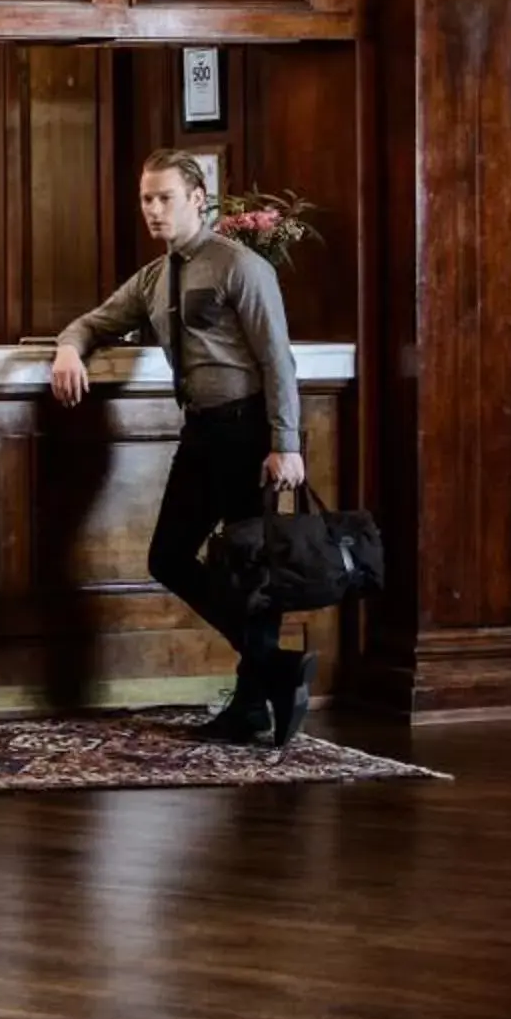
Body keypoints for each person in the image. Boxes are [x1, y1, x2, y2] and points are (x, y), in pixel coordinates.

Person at [50, 147, 311, 746]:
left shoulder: (240, 267)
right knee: (168, 557)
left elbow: (278, 360)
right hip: (202, 434)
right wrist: (69, 348)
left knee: (253, 573)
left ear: (198, 199)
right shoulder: (153, 278)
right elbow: (92, 323)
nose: (153, 210)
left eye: (165, 197)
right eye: (146, 198)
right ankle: (271, 670)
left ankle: (252, 703)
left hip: (251, 435)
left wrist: (286, 442)